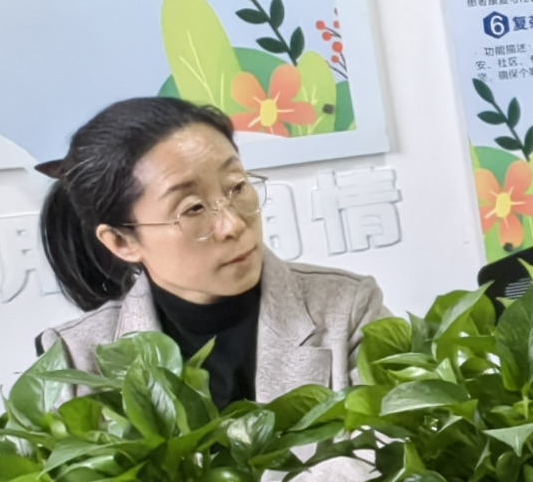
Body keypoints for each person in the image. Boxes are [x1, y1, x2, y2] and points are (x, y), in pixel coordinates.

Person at [36, 95, 383, 405]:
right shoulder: (75, 360)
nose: (232, 224)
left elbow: (386, 441)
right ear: (122, 242)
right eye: (193, 209)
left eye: (237, 187)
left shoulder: (347, 309)